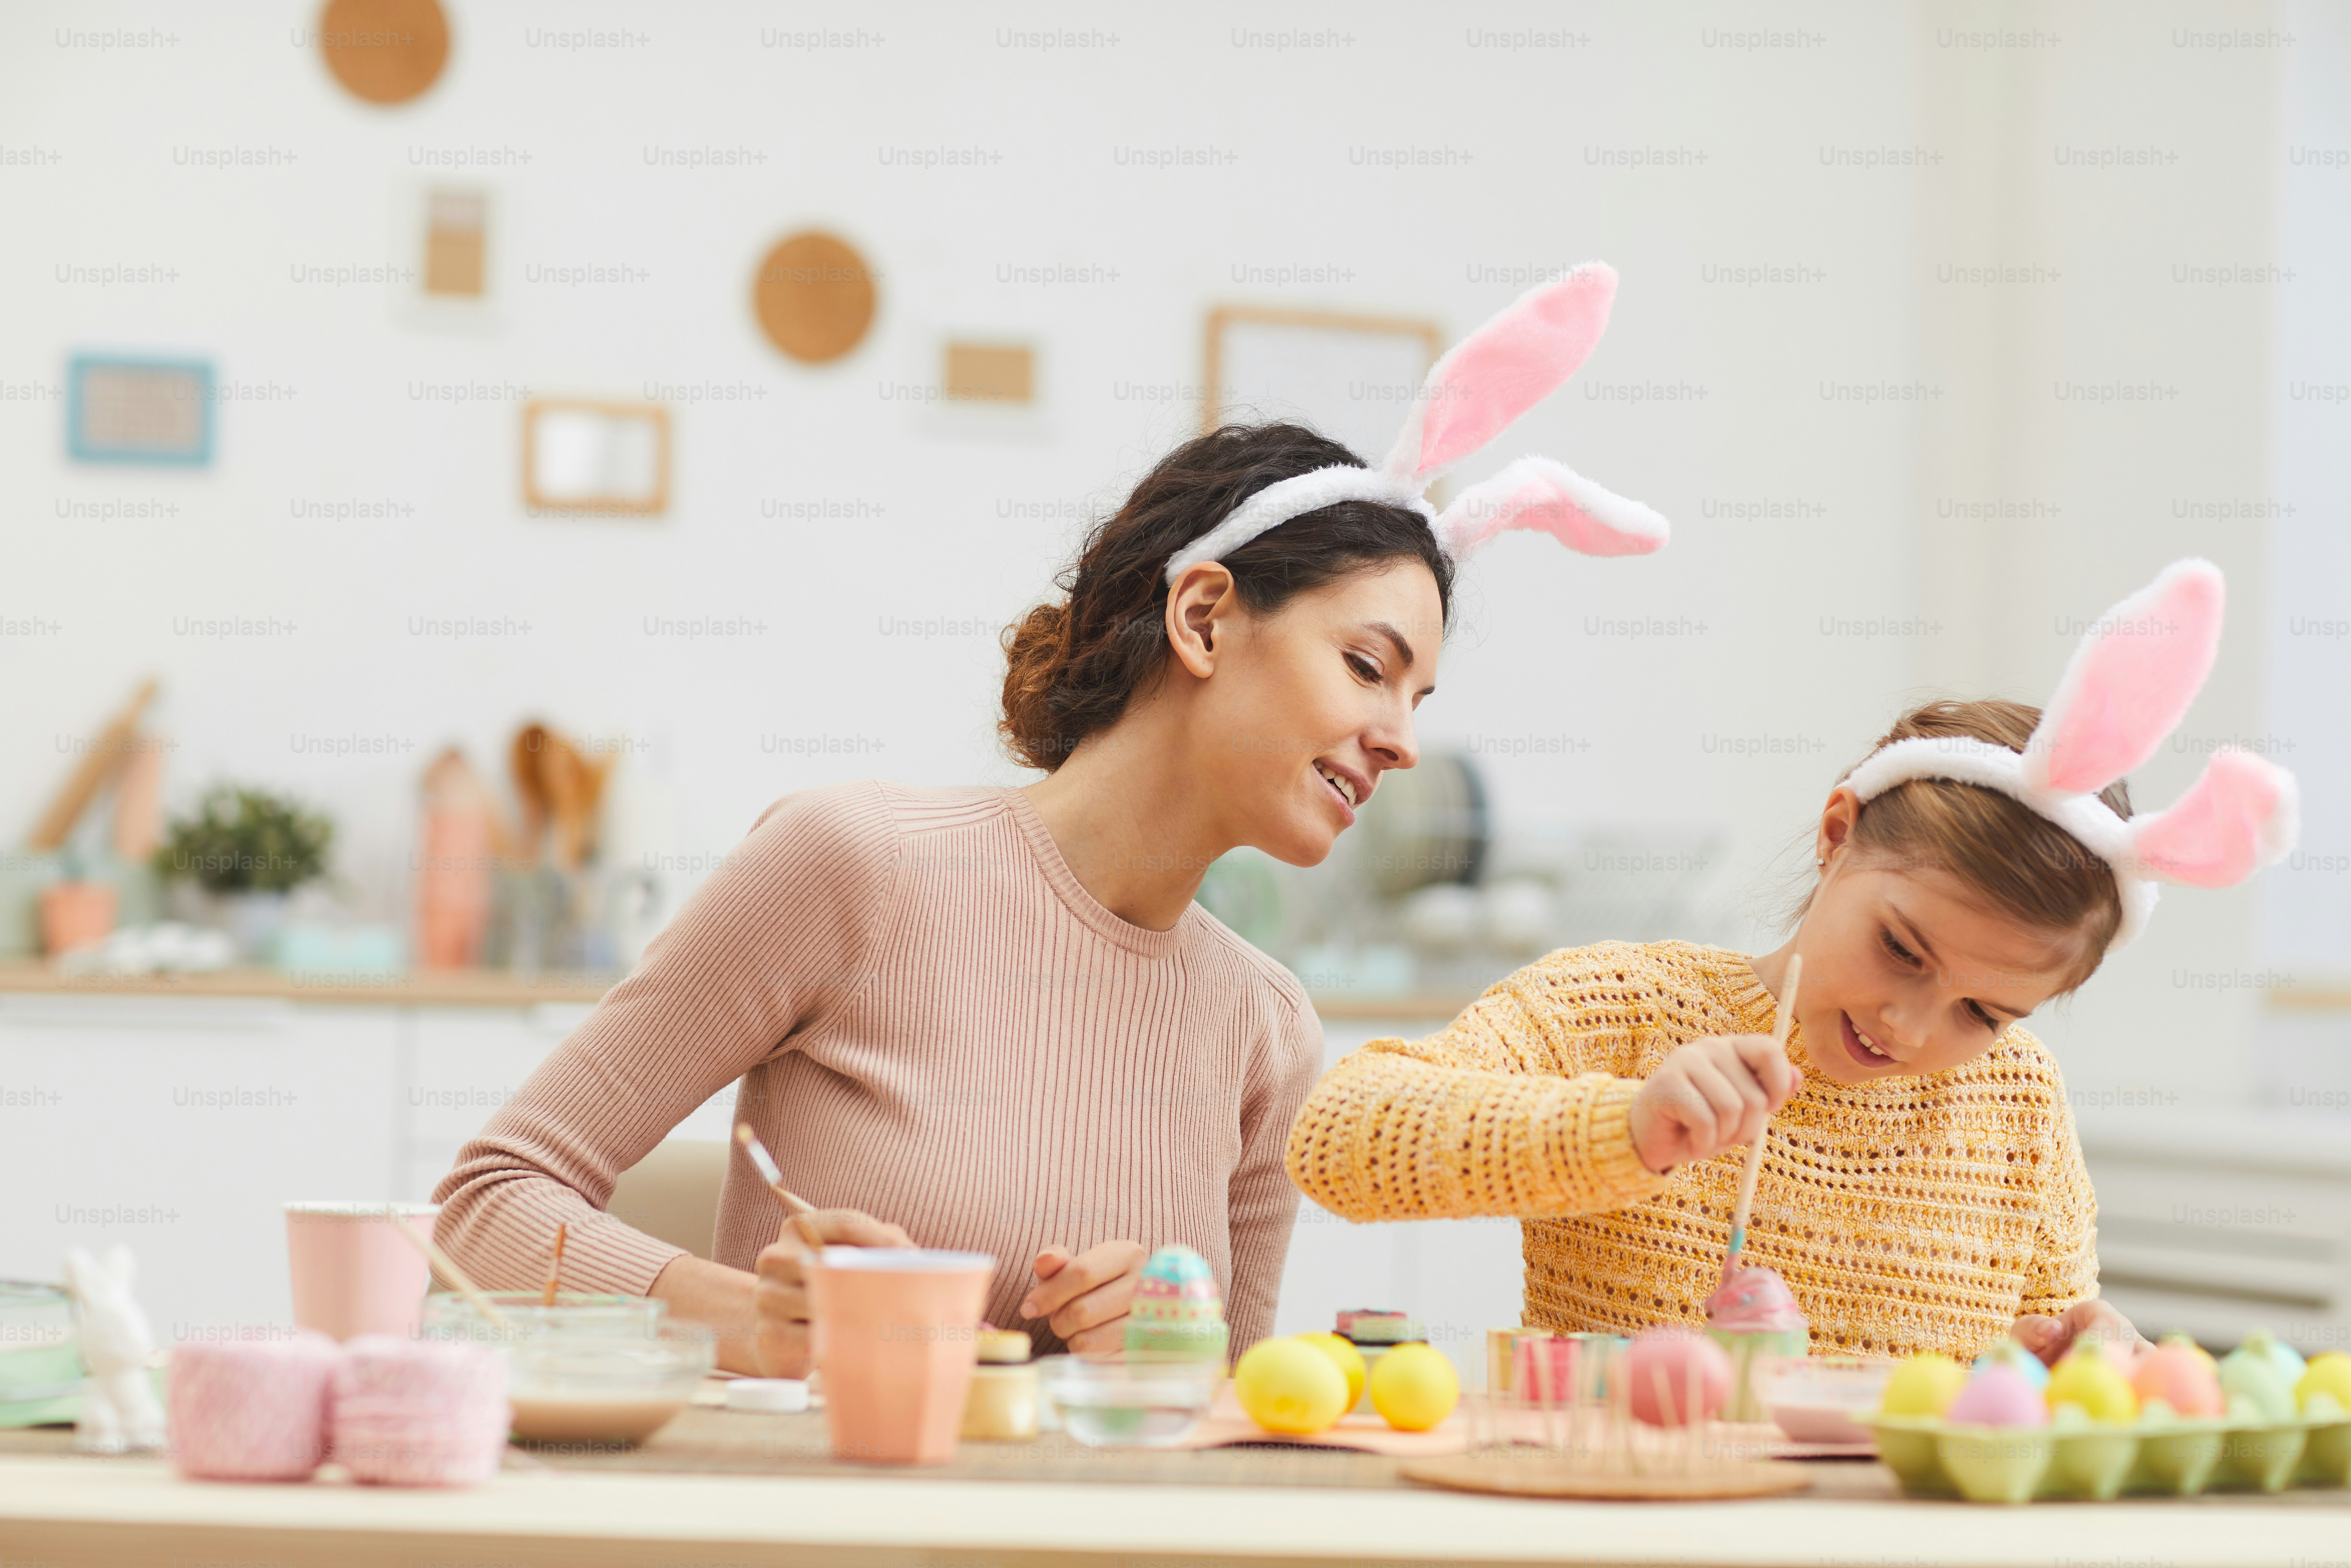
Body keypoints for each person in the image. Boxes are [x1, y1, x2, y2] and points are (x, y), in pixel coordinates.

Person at [433, 267, 1670, 1375]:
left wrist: (1172, 1353)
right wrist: (738, 1315)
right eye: (1366, 665)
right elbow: (484, 1210)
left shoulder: (1267, 1030)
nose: (1402, 739)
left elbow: (1233, 1428)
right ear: (1202, 618)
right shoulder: (851, 866)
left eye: (1419, 698)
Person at [1285, 559, 2296, 1364]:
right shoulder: (1620, 1011)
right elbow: (1339, 1139)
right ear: (1836, 833)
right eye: (1903, 949)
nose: (1911, 1025)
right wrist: (1625, 1126)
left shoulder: (2020, 1102)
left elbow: (2050, 1337)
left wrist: (2089, 1353)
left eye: (1984, 1013)